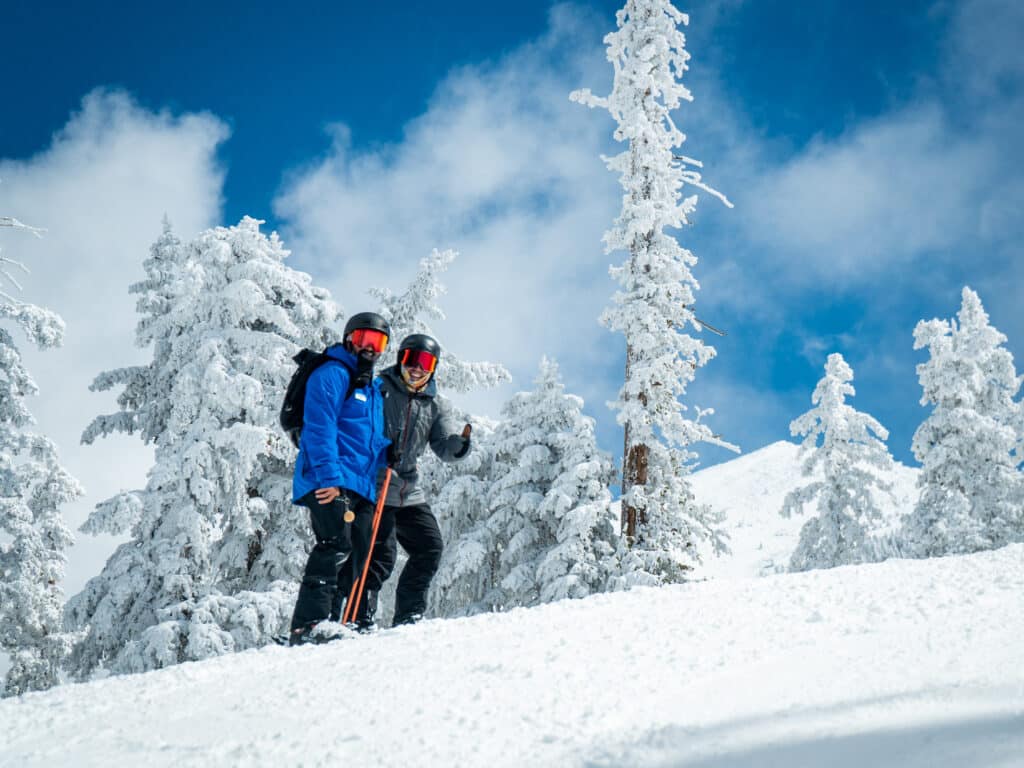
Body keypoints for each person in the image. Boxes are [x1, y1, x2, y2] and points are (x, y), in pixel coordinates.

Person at [337, 333, 471, 630]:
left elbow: (443, 443)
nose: (417, 368)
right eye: (412, 360)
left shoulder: (434, 404)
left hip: (408, 490)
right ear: (401, 360)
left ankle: (409, 615)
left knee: (429, 546)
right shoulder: (380, 388)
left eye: (426, 363)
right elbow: (358, 424)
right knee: (379, 553)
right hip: (376, 483)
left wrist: (457, 446)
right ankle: (359, 617)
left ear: (433, 367)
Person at [287, 311, 392, 645]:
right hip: (329, 478)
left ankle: (333, 621)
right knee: (335, 544)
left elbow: (364, 437)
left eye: (379, 342)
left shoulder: (373, 389)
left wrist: (388, 454)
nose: (371, 348)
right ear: (350, 339)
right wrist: (329, 478)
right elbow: (320, 428)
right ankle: (309, 625)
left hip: (360, 484)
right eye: (365, 339)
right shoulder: (332, 373)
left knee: (358, 553)